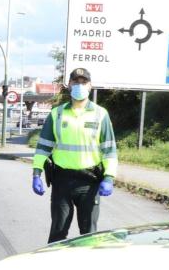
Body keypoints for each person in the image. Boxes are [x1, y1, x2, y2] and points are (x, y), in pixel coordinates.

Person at [31, 68, 118, 244]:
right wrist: (36, 173)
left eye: (83, 82)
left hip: (89, 182)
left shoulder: (101, 114)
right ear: (69, 85)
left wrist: (109, 177)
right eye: (76, 82)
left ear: (90, 86)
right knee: (58, 231)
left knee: (88, 234)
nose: (80, 86)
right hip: (62, 181)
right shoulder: (57, 114)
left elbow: (109, 150)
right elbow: (43, 147)